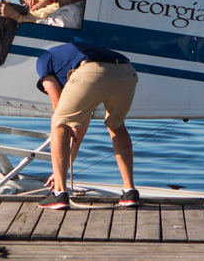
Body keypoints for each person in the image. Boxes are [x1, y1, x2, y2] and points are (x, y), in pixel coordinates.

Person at [33, 39, 139, 211]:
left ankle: (59, 193)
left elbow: (56, 102)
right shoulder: (67, 58)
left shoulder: (43, 60)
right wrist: (65, 166)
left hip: (93, 70)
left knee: (57, 122)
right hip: (127, 71)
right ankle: (130, 192)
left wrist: (65, 126)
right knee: (117, 125)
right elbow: (80, 125)